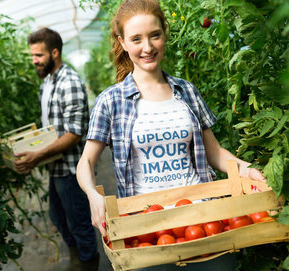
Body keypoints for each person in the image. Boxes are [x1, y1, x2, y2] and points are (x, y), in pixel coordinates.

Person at [76, 0, 265, 270]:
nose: (148, 47)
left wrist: (246, 170)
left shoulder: (187, 91)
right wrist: (93, 196)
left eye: (155, 35)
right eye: (136, 39)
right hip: (148, 230)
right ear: (123, 42)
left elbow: (214, 153)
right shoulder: (110, 101)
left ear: (164, 32)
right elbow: (86, 163)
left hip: (205, 219)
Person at [15, 27, 99, 268]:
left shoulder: (69, 82)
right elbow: (50, 128)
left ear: (54, 52)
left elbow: (74, 134)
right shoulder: (48, 83)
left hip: (72, 170)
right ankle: (78, 257)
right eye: (32, 55)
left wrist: (37, 155)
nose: (34, 61)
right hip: (55, 166)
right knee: (58, 218)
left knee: (80, 223)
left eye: (38, 55)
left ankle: (87, 262)